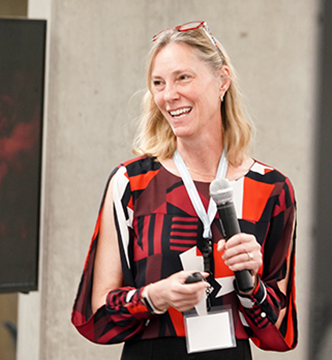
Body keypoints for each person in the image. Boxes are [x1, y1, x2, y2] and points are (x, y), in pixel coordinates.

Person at [71, 21, 297, 359]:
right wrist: (153, 297)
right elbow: (98, 315)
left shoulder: (271, 189)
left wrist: (251, 283)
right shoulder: (131, 183)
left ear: (222, 80)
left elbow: (277, 330)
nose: (169, 95)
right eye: (158, 83)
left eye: (183, 78)